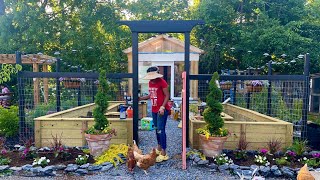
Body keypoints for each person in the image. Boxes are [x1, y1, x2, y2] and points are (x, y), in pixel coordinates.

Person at [139, 66, 170, 162]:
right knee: (156, 129)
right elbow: (151, 94)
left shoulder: (162, 82)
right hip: (154, 109)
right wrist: (141, 98)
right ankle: (159, 148)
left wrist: (163, 107)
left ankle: (164, 153)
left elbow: (167, 95)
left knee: (161, 130)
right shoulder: (150, 82)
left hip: (162, 109)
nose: (152, 78)